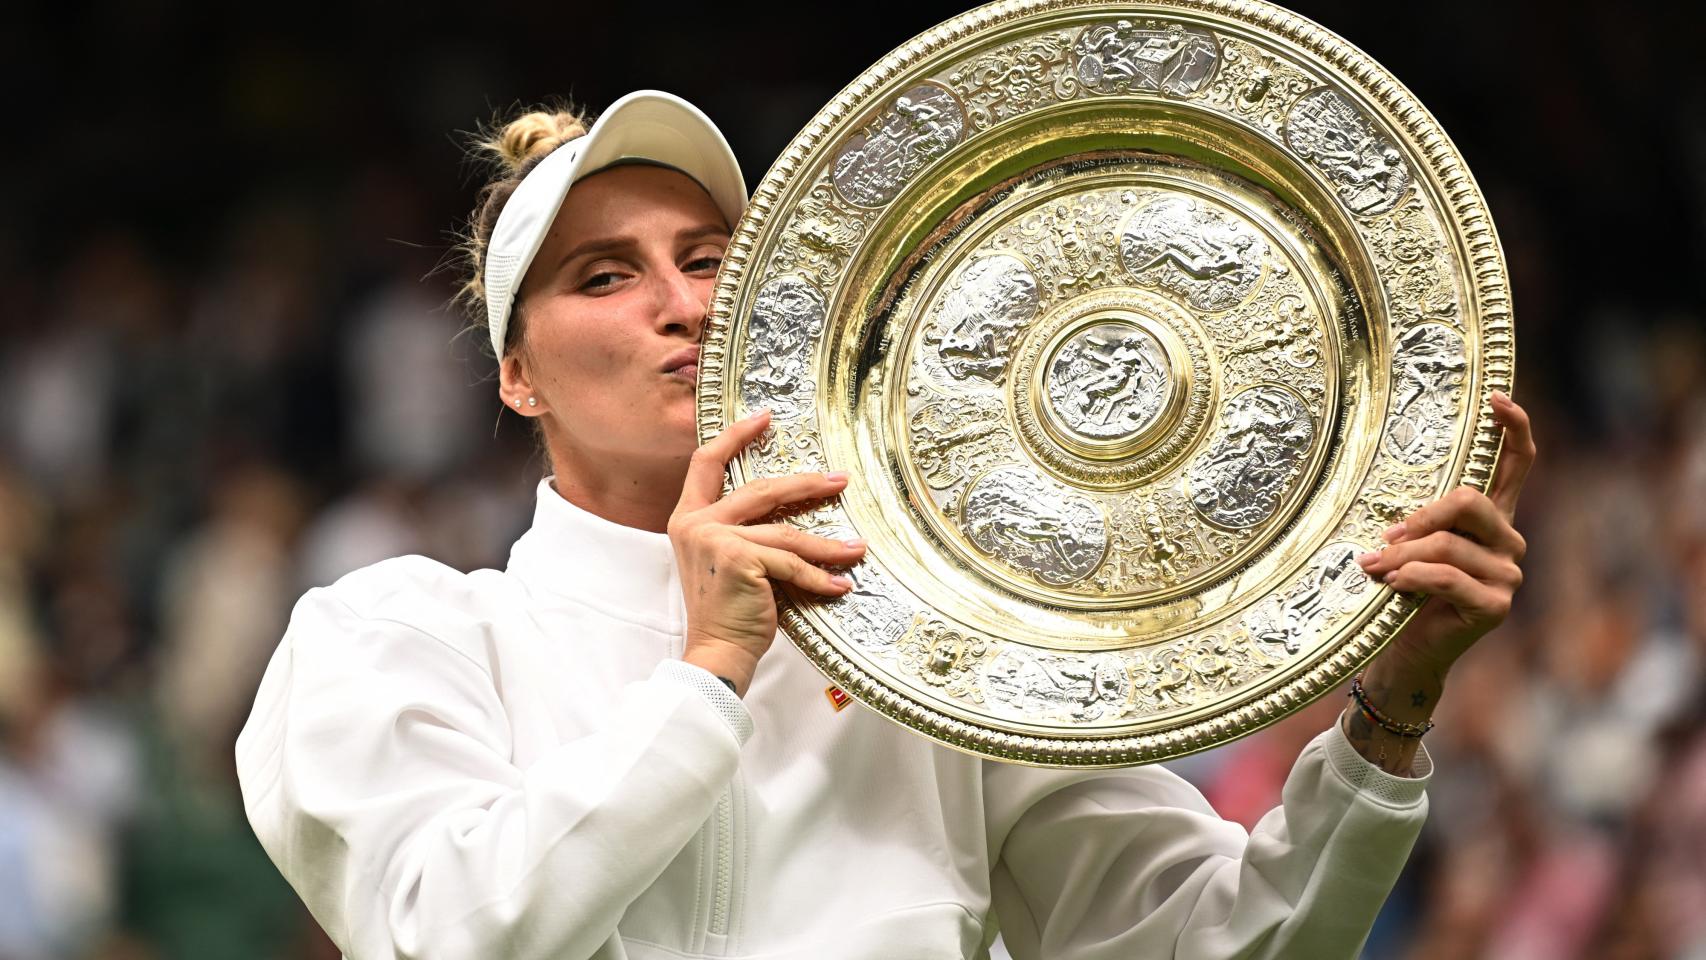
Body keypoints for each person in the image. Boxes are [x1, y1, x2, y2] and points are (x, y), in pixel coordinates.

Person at [234, 89, 1535, 959]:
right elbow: (452, 933)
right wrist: (711, 670)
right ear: (514, 373)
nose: (679, 304)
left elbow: (1220, 939)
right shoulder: (392, 631)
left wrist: (1389, 716)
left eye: (709, 259)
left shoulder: (933, 647)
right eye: (602, 276)